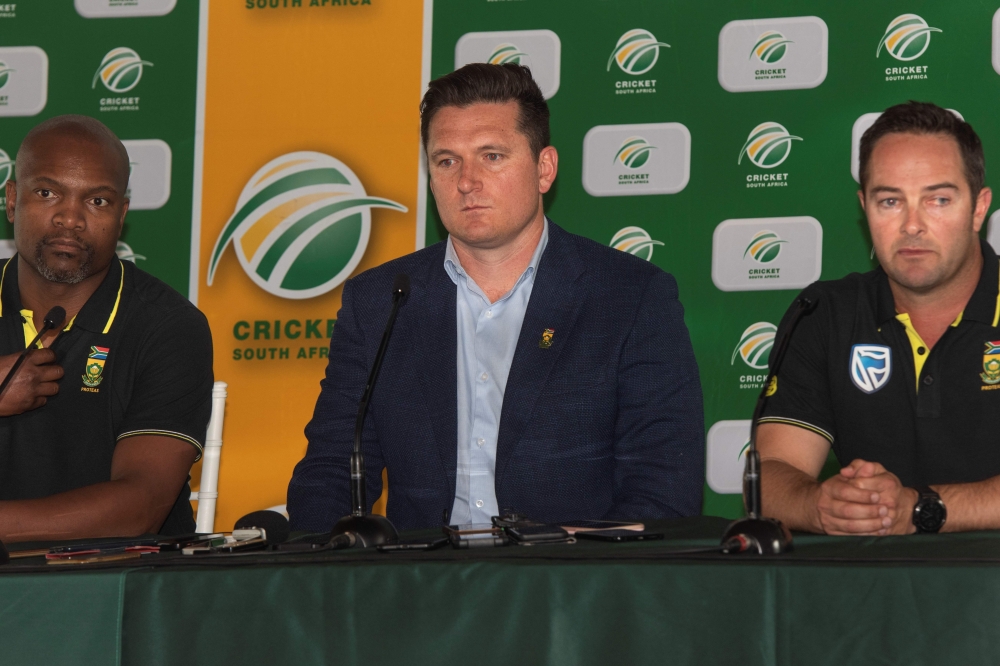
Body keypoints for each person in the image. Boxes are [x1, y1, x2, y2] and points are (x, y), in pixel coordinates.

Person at [287, 63, 704, 532]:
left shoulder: (629, 297)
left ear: (544, 169)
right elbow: (329, 474)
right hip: (422, 588)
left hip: (573, 586)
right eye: (446, 161)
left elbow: (664, 490)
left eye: (492, 156)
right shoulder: (380, 302)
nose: (466, 181)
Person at [758, 101, 998, 535]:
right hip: (867, 593)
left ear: (979, 209)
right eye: (890, 201)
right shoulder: (825, 312)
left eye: (938, 199)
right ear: (864, 207)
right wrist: (821, 505)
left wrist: (920, 509)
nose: (912, 225)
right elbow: (773, 471)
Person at [0, 115, 213, 541]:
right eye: (47, 193)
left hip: (116, 588)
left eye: (97, 201)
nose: (70, 218)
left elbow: (140, 507)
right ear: (12, 200)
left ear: (121, 215)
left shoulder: (168, 326)